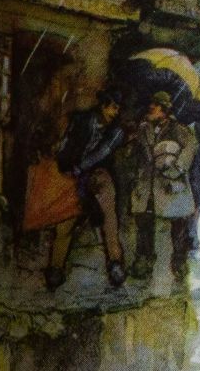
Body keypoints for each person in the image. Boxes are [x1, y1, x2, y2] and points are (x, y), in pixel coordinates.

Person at [48, 88, 127, 289]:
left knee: (109, 216)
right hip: (73, 174)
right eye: (113, 108)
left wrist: (79, 168)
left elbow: (101, 153)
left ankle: (115, 263)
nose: (115, 113)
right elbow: (66, 144)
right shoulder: (83, 120)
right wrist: (66, 168)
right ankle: (56, 267)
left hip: (98, 174)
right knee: (65, 220)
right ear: (103, 106)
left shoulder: (117, 131)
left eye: (118, 109)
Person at [129, 90, 199, 284]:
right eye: (151, 106)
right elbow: (136, 154)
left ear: (165, 110)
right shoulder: (143, 129)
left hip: (171, 183)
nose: (151, 109)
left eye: (155, 106)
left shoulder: (178, 129)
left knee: (179, 224)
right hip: (147, 183)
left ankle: (179, 261)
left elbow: (191, 147)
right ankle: (144, 259)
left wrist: (177, 168)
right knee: (144, 221)